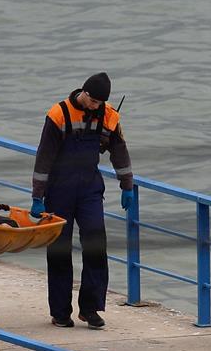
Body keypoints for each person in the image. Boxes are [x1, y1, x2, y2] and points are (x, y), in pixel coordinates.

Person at [29, 72, 133, 330]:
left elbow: (119, 151)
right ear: (84, 93)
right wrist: (37, 196)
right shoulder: (58, 115)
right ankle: (60, 311)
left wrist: (127, 185)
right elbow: (44, 158)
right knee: (60, 250)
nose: (97, 107)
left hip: (89, 189)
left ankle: (90, 308)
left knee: (96, 246)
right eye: (94, 101)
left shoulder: (108, 116)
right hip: (59, 189)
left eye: (100, 103)